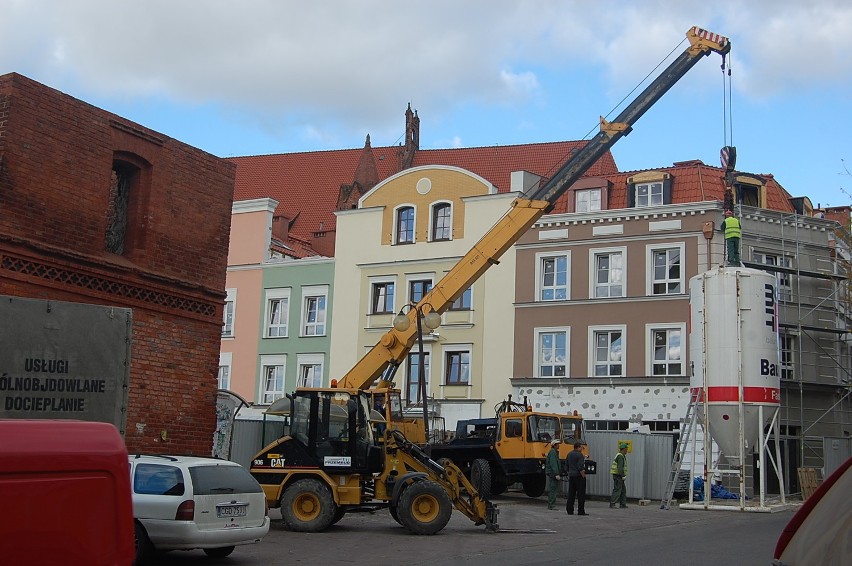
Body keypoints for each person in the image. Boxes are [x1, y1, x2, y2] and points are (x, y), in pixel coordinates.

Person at [565, 441, 587, 515]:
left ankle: (569, 510)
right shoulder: (580, 455)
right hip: (578, 476)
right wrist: (583, 476)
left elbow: (566, 466)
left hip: (571, 476)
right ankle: (581, 511)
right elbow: (580, 467)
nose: (582, 449)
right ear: (578, 447)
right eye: (581, 447)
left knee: (571, 493)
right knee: (581, 494)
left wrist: (569, 473)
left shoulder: (569, 454)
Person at [610, 442, 629, 508]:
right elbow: (620, 468)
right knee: (617, 490)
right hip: (618, 476)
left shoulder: (621, 456)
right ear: (623, 449)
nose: (627, 450)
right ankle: (612, 503)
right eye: (626, 449)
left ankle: (622, 504)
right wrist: (623, 475)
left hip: (619, 476)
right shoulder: (620, 456)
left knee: (623, 490)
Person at [545, 438, 562, 510]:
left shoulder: (553, 452)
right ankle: (551, 505)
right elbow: (553, 464)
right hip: (553, 473)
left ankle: (551, 504)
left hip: (552, 473)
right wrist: (556, 473)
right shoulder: (553, 453)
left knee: (553, 488)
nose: (559, 446)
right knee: (553, 489)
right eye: (558, 444)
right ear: (554, 445)